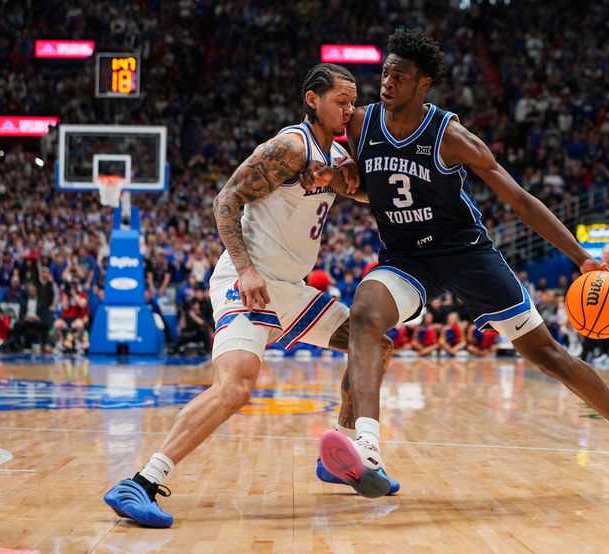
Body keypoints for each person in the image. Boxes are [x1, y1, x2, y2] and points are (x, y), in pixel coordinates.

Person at [311, 29, 609, 499]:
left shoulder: (451, 136)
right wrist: (337, 174)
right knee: (364, 311)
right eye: (384, 72)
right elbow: (338, 158)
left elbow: (520, 200)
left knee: (548, 355)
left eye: (399, 76)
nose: (386, 82)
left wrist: (581, 258)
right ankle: (369, 450)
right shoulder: (358, 125)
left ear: (423, 85)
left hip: (466, 254)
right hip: (406, 259)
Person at [103, 63, 398, 528]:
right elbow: (226, 200)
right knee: (236, 386)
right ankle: (140, 481)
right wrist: (244, 269)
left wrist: (389, 168)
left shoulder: (332, 154)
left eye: (352, 101)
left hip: (289, 289)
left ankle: (340, 456)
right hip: (250, 282)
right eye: (340, 100)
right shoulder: (289, 147)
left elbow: (364, 191)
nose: (349, 109)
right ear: (312, 99)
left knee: (374, 345)